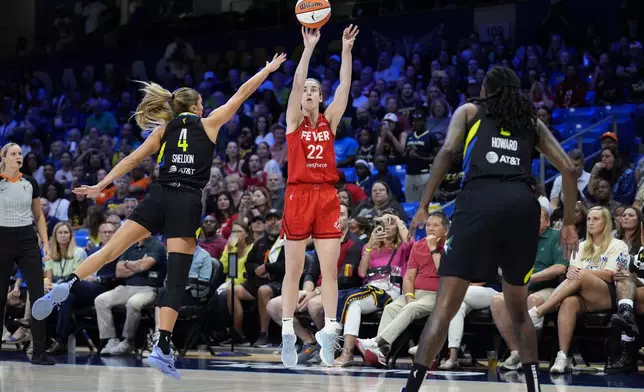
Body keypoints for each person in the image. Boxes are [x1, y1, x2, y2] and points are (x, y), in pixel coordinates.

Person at [31, 53, 286, 379]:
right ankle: (162, 346)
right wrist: (268, 68)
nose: (204, 107)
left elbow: (131, 161)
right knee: (176, 278)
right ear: (195, 107)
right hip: (186, 202)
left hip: (158, 195)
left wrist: (101, 185)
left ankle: (67, 283)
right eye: (202, 103)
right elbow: (241, 94)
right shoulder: (208, 125)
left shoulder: (162, 130)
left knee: (109, 251)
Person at [402, 67, 579, 392]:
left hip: (478, 202)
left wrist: (425, 203)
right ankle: (534, 387)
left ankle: (411, 388)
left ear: (487, 89)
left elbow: (448, 152)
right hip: (521, 207)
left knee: (445, 307)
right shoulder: (530, 122)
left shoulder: (470, 111)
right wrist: (568, 223)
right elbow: (568, 168)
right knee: (518, 309)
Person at [280, 25, 359, 368]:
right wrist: (308, 48)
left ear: (320, 97)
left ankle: (329, 330)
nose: (309, 92)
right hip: (298, 195)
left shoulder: (329, 121)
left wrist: (345, 50)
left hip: (326, 195)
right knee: (294, 270)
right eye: (306, 90)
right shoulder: (294, 121)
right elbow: (297, 82)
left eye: (315, 89)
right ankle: (286, 334)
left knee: (329, 269)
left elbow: (345, 87)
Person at [0, 143, 54, 365]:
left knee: (38, 292)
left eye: (20, 153)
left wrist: (46, 244)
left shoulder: (30, 182)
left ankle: (39, 352)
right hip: (2, 237)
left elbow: (39, 216)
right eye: (13, 154)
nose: (18, 157)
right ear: (3, 158)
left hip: (26, 238)